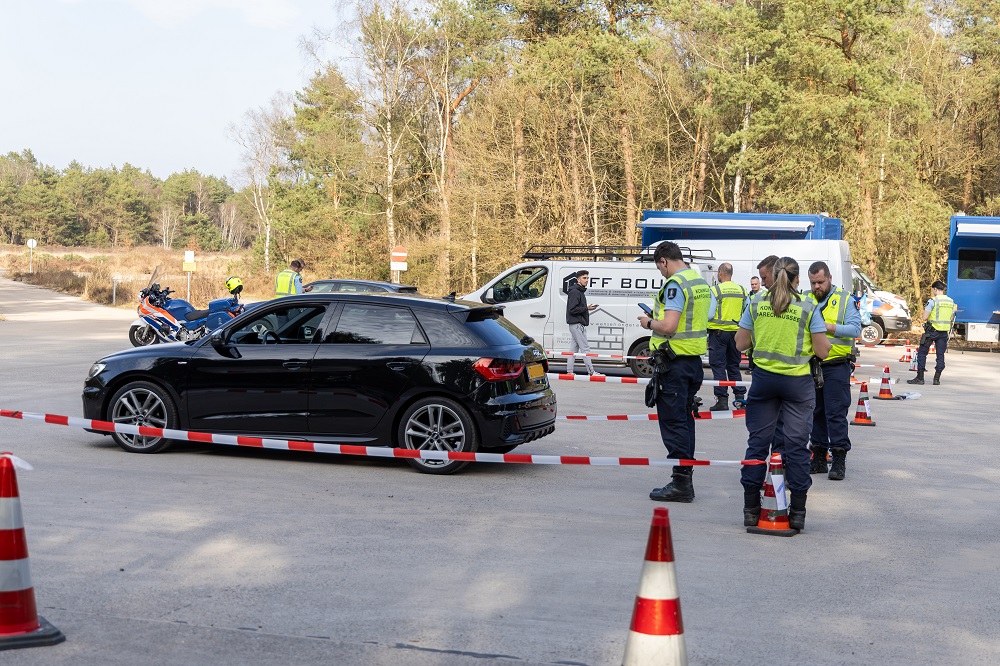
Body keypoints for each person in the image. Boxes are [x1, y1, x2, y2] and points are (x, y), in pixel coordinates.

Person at [735, 257, 831, 531]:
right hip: (797, 384)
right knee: (797, 447)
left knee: (757, 444)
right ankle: (798, 512)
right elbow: (823, 351)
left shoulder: (755, 303)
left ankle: (751, 510)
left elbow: (741, 343)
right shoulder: (808, 306)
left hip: (764, 381)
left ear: (773, 275)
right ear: (797, 279)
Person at [637, 242, 713, 502]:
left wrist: (648, 322)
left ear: (664, 261)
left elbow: (668, 325)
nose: (661, 273)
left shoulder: (675, 284)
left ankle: (681, 483)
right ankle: (684, 477)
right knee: (685, 419)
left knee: (674, 422)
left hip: (674, 363)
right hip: (693, 361)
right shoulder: (699, 282)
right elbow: (707, 316)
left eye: (660, 268)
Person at [806, 262, 862, 481]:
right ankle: (818, 457)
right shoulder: (806, 299)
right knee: (815, 412)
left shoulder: (846, 299)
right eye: (813, 283)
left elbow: (855, 329)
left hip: (837, 364)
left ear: (829, 278)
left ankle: (838, 459)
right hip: (813, 364)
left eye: (820, 282)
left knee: (835, 413)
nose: (817, 287)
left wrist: (828, 326)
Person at [708, 263, 748, 411]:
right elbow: (747, 312)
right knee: (733, 366)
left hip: (718, 333)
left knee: (718, 367)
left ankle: (722, 400)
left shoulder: (715, 290)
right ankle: (740, 399)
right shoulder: (742, 290)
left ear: (720, 273)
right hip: (736, 334)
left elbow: (710, 314)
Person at [907, 281, 955, 386]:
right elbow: (951, 317)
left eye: (932, 290)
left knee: (922, 353)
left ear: (935, 289)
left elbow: (924, 317)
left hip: (932, 331)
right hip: (944, 332)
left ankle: (920, 378)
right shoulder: (951, 301)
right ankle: (936, 379)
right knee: (940, 355)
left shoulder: (933, 301)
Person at [565, 270, 603, 377]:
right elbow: (572, 309)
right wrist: (587, 308)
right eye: (584, 278)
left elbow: (575, 309)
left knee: (573, 349)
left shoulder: (578, 291)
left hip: (576, 324)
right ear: (578, 280)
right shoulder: (575, 292)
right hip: (577, 324)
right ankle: (591, 372)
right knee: (585, 348)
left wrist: (586, 308)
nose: (587, 280)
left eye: (587, 278)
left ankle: (569, 371)